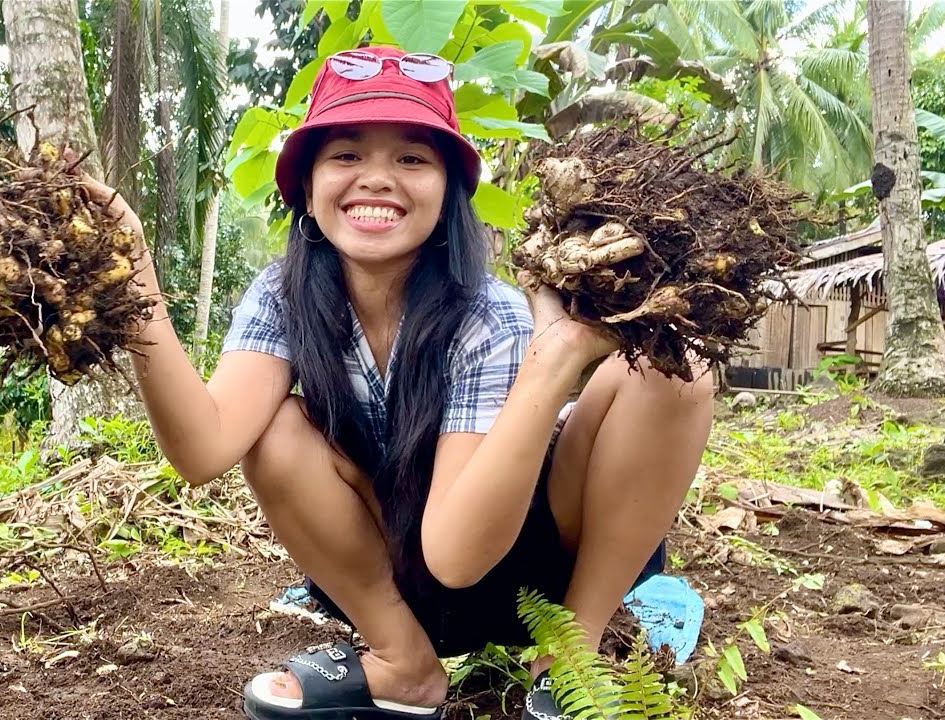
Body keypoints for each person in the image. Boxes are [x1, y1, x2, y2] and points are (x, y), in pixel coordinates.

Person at [87, 45, 713, 720]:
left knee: (679, 374)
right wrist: (133, 284)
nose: (376, 179)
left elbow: (460, 556)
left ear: (448, 190)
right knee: (273, 432)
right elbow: (204, 450)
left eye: (412, 158)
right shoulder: (283, 296)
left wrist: (555, 358)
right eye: (347, 155)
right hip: (397, 583)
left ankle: (571, 655)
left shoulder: (487, 311)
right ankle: (401, 663)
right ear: (306, 185)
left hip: (523, 564)